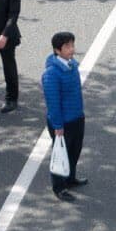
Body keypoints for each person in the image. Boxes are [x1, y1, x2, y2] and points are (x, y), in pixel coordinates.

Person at [42, 31, 87, 200]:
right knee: (61, 154)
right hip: (63, 122)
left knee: (75, 151)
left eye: (72, 45)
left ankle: (70, 178)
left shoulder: (72, 65)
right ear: (57, 50)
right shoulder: (51, 73)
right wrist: (58, 125)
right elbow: (53, 102)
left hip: (77, 117)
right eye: (67, 46)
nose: (72, 49)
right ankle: (59, 187)